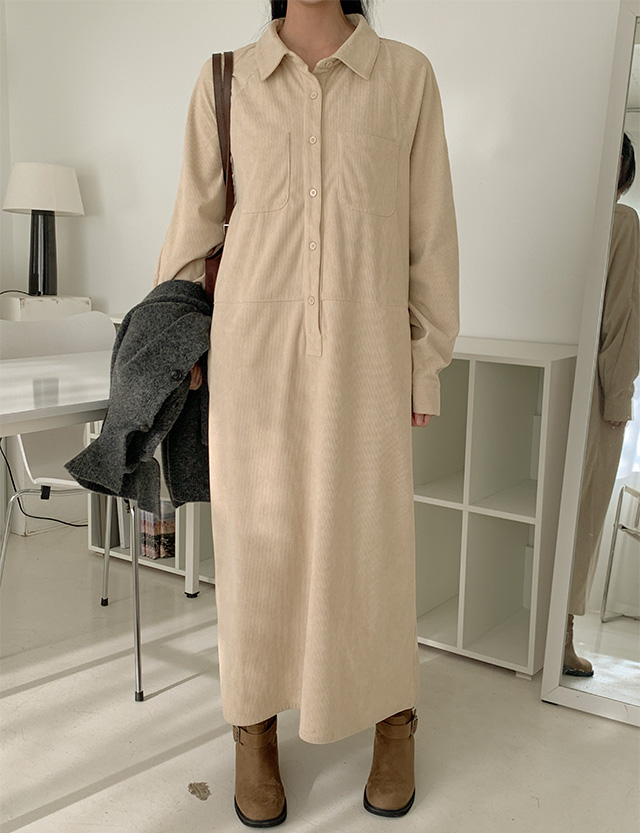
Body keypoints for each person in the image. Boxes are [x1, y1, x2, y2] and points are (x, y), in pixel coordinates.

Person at [152, 0, 459, 825]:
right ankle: (253, 725)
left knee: (373, 542)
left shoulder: (406, 77)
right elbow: (192, 223)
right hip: (251, 360)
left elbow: (430, 237)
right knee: (258, 546)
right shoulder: (227, 79)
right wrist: (177, 349)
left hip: (367, 357)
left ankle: (393, 717)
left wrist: (423, 366)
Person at [565, 133, 639, 676]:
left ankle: (544, 633)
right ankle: (561, 637)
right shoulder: (622, 222)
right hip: (593, 387)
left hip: (557, 379)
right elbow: (623, 317)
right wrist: (618, 395)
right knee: (584, 513)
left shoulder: (567, 217)